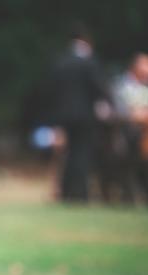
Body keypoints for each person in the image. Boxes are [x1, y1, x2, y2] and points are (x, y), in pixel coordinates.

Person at [46, 23, 111, 202]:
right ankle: (80, 194)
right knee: (82, 153)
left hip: (63, 117)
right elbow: (99, 88)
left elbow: (52, 92)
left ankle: (66, 192)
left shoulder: (61, 61)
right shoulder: (89, 62)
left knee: (67, 154)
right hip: (84, 116)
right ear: (86, 42)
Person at [110, 52, 148, 203]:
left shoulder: (146, 87)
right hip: (126, 130)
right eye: (144, 65)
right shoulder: (120, 85)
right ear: (135, 67)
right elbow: (116, 108)